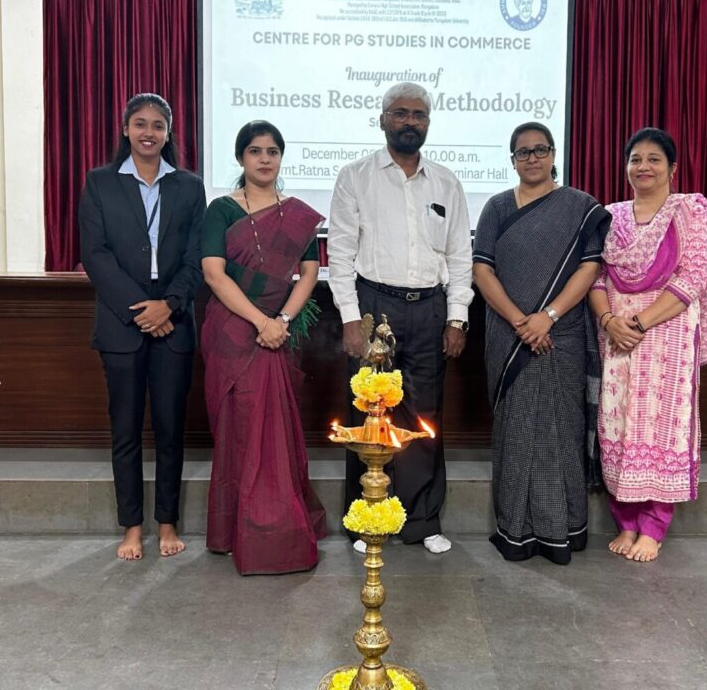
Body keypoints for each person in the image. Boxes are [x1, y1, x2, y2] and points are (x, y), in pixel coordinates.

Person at [328, 82, 473, 555]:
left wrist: (456, 318)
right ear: (383, 120)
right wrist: (351, 319)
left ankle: (422, 520)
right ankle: (367, 518)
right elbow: (340, 254)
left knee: (424, 415)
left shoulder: (446, 182)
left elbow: (459, 256)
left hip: (430, 307)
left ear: (428, 123)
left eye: (418, 115)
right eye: (400, 113)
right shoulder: (356, 177)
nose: (410, 121)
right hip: (375, 305)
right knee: (369, 413)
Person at [473, 122, 610, 565]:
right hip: (509, 337)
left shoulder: (580, 207)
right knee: (516, 433)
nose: (532, 158)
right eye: (523, 152)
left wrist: (547, 317)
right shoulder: (496, 207)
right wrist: (521, 321)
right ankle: (515, 530)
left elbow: (589, 267)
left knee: (560, 430)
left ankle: (562, 530)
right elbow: (482, 270)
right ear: (512, 160)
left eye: (540, 150)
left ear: (553, 155)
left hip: (563, 333)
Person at [79, 93, 206, 560]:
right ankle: (132, 527)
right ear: (126, 129)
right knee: (126, 431)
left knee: (171, 429)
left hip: (174, 320)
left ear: (168, 133)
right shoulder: (100, 182)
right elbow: (95, 255)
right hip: (122, 323)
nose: (148, 132)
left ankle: (167, 522)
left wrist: (168, 306)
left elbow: (196, 256)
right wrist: (142, 311)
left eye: (157, 125)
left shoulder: (189, 187)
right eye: (140, 124)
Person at [201, 120, 326, 575]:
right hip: (233, 332)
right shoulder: (221, 210)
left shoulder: (296, 214)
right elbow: (214, 274)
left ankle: (278, 529)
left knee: (275, 431)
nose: (265, 159)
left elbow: (309, 273)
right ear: (240, 158)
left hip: (277, 331)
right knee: (240, 428)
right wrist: (261, 322)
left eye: (273, 151)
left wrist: (282, 321)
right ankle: (235, 530)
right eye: (255, 151)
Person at [589, 127, 707, 563]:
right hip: (617, 335)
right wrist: (610, 321)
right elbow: (596, 277)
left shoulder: (689, 211)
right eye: (635, 159)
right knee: (618, 423)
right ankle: (626, 521)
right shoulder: (611, 216)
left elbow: (693, 277)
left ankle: (654, 526)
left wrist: (639, 322)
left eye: (654, 159)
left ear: (672, 168)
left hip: (667, 333)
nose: (643, 166)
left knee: (661, 426)